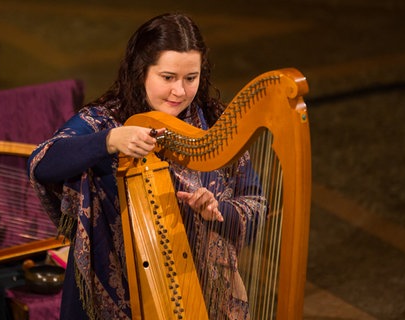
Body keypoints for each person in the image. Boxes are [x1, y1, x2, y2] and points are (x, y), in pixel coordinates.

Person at [28, 12, 266, 320]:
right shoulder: (105, 120)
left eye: (190, 78)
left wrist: (218, 212)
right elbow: (42, 162)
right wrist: (109, 141)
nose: (179, 92)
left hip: (198, 290)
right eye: (168, 78)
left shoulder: (214, 124)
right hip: (110, 284)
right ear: (142, 71)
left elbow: (256, 203)